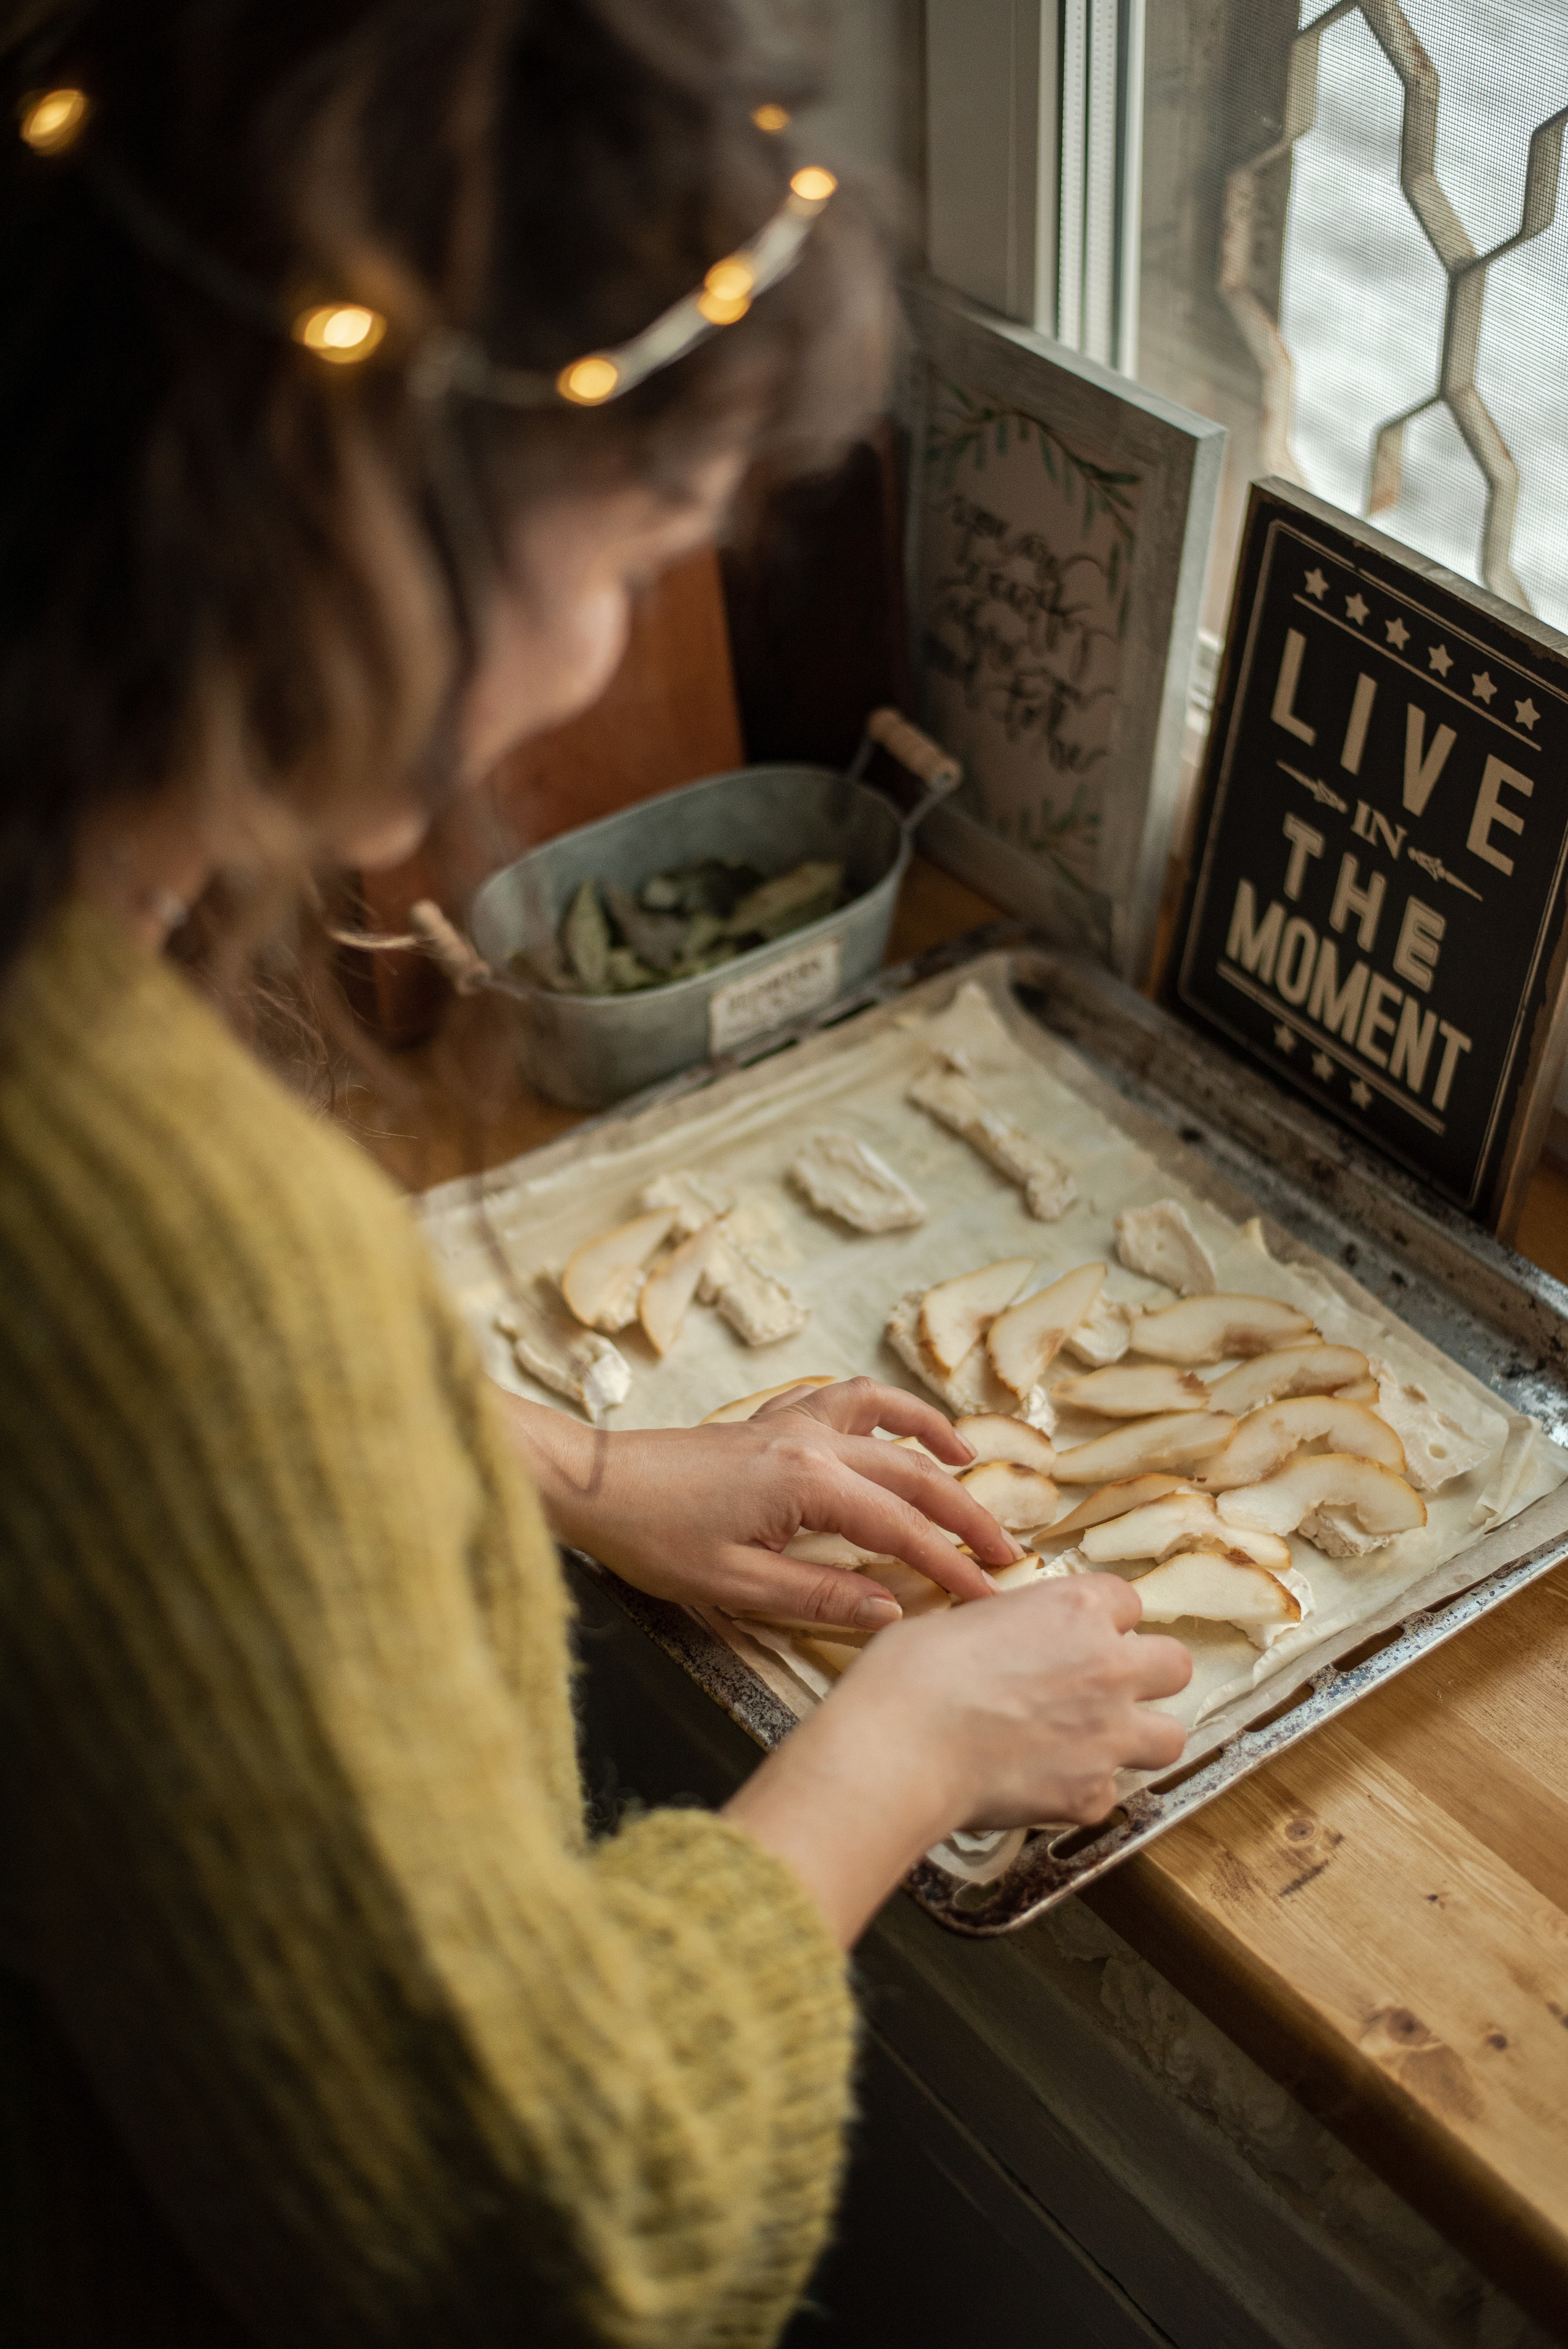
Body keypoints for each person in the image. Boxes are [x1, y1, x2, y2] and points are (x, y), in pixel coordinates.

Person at [0, 1, 1193, 2341]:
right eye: (642, 543)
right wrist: (904, 1743)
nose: (614, 644)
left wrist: (551, 1455)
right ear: (364, 546)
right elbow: (537, 2242)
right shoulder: (185, 1258)